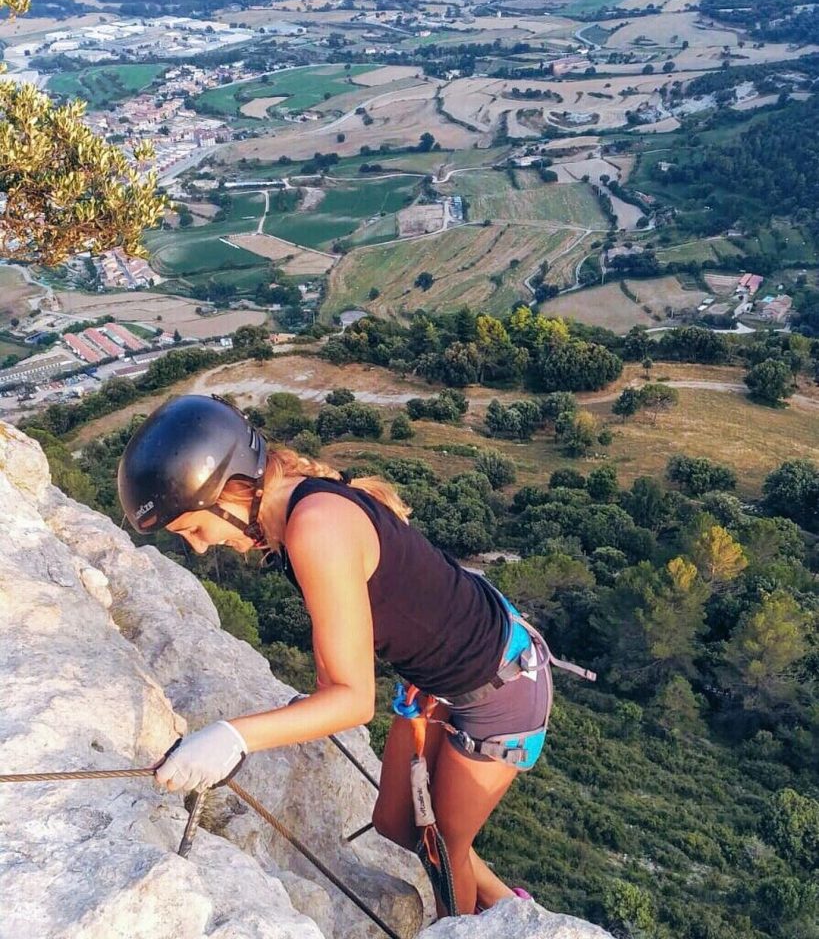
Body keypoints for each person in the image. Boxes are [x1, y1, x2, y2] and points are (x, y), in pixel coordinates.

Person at [117, 393, 582, 916]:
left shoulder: (315, 529)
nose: (200, 548)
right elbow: (334, 662)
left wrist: (233, 736)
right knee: (396, 825)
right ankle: (511, 910)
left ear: (229, 492)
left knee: (442, 846)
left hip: (499, 688)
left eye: (194, 530)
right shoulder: (295, 515)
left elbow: (353, 701)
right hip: (449, 674)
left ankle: (475, 927)